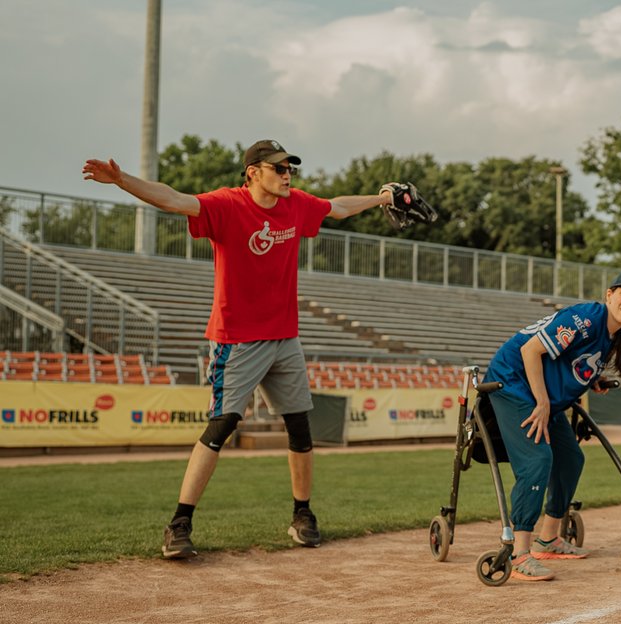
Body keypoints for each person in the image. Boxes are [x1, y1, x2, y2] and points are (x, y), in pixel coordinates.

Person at [83, 139, 409, 559]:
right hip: (237, 339)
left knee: (300, 427)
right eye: (278, 168)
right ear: (253, 172)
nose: (287, 175)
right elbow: (173, 199)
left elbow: (338, 207)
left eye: (289, 168)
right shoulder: (227, 205)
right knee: (222, 426)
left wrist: (383, 197)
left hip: (284, 337)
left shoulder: (296, 204)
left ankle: (302, 514)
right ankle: (179, 523)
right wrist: (121, 180)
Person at [484, 271, 621, 581]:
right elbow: (530, 350)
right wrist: (542, 402)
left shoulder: (612, 334)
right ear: (609, 295)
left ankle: (548, 539)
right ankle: (519, 553)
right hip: (513, 381)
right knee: (537, 459)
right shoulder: (586, 318)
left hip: (541, 392)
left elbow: (569, 360)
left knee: (571, 459)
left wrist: (593, 379)